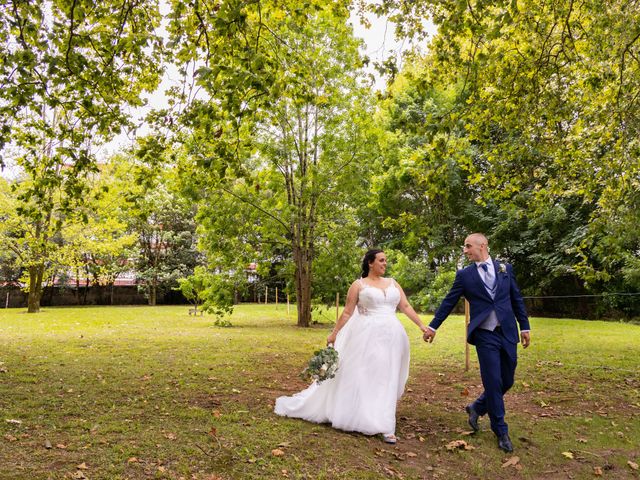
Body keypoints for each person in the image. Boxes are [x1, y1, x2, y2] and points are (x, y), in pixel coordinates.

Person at [274, 249, 429, 444]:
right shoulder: (358, 285)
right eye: (381, 260)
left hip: (393, 336)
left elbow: (405, 306)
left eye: (385, 261)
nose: (385, 264)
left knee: (387, 376)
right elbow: (347, 312)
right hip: (366, 336)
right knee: (366, 374)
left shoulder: (393, 283)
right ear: (370, 263)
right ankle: (368, 418)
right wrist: (334, 333)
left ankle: (385, 422)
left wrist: (422, 326)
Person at [423, 233, 531, 453]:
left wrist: (525, 326)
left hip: (508, 331)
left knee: (507, 380)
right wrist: (433, 326)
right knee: (493, 381)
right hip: (484, 334)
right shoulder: (464, 276)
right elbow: (448, 302)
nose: (465, 250)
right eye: (465, 247)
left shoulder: (505, 269)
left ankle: (477, 407)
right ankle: (501, 430)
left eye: (468, 246)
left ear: (483, 245)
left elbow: (516, 298)